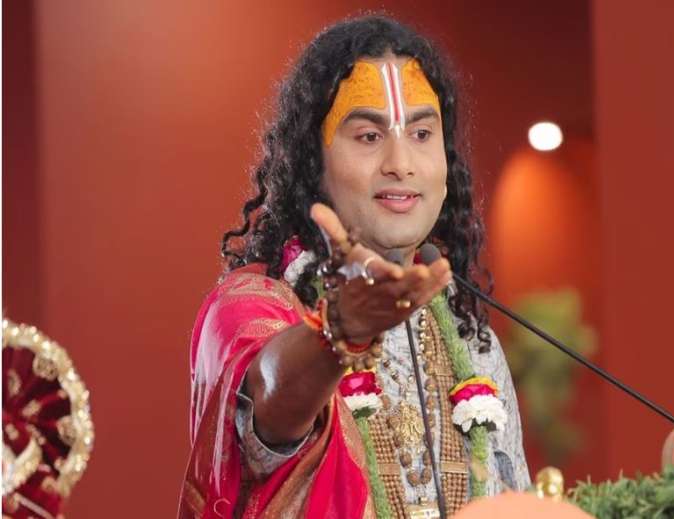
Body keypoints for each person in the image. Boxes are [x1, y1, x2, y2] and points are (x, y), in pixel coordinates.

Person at [179, 15, 530, 519]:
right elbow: (272, 408)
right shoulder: (248, 310)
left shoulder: (472, 341)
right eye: (368, 136)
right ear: (313, 164)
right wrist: (338, 333)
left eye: (422, 133)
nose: (401, 162)